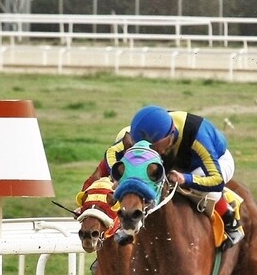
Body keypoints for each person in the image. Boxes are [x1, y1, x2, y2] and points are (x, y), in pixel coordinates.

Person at [77, 105, 244, 246]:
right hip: (174, 158)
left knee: (205, 189)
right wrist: (119, 176)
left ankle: (229, 216)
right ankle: (129, 227)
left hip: (212, 162)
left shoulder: (198, 136)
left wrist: (185, 179)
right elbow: (112, 152)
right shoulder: (144, 132)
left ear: (168, 138)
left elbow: (216, 180)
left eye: (153, 147)